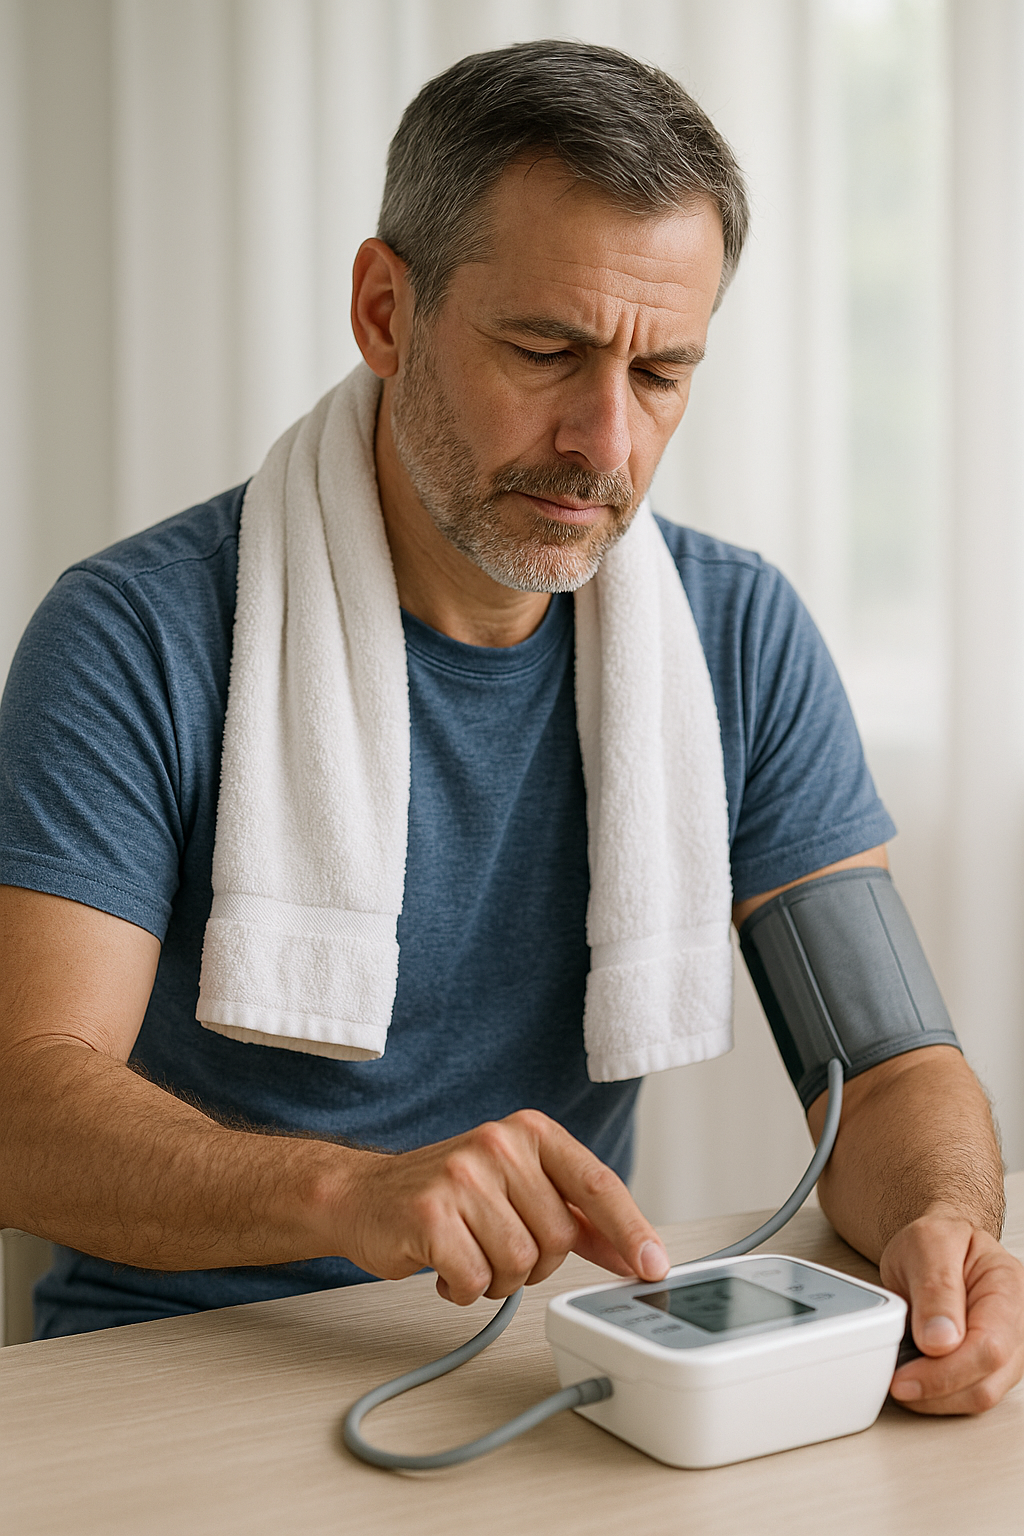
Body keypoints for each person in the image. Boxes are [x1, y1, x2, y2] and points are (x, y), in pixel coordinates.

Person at [0, 40, 1021, 1417]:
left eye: (662, 373)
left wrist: (950, 1236)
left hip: (548, 1377)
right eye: (548, 349)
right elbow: (22, 1099)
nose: (605, 440)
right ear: (383, 311)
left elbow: (891, 1068)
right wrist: (355, 1194)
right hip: (163, 1376)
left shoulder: (739, 636)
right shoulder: (136, 634)